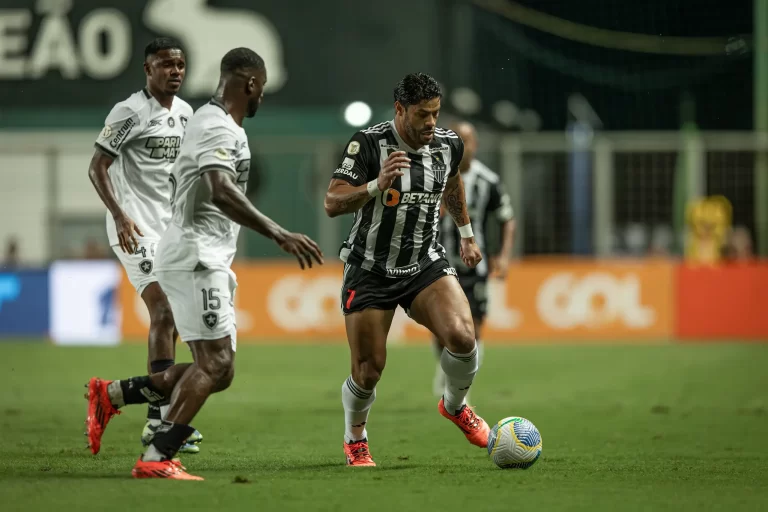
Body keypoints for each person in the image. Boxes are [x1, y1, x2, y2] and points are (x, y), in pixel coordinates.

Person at [84, 47, 324, 480]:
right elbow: (218, 188)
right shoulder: (214, 125)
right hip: (195, 256)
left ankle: (116, 395)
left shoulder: (207, 120)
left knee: (220, 368)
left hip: (201, 253)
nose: (262, 98)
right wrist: (278, 233)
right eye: (262, 89)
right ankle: (158, 452)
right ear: (249, 84)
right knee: (210, 360)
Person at [324, 73, 489, 467]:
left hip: (423, 263)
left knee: (464, 338)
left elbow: (452, 184)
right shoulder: (368, 143)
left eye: (435, 113)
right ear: (400, 110)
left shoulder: (448, 144)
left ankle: (455, 405)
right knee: (368, 371)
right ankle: (355, 437)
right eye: (421, 114)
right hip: (370, 268)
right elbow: (332, 201)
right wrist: (374, 186)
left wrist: (466, 234)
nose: (431, 122)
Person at [87, 37, 202, 454]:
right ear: (148, 70)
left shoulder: (187, 114)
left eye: (181, 65)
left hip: (172, 230)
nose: (175, 71)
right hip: (135, 229)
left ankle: (161, 416)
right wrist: (119, 215)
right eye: (166, 65)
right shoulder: (129, 111)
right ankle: (158, 422)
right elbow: (97, 165)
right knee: (164, 310)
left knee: (177, 318)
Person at [432, 122, 516, 399]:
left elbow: (507, 219)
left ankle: (460, 386)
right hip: (437, 264)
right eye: (458, 140)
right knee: (439, 327)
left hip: (473, 267)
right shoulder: (434, 175)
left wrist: (503, 256)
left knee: (474, 327)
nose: (462, 147)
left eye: (467, 141)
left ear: (475, 145)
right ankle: (445, 371)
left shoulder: (487, 181)